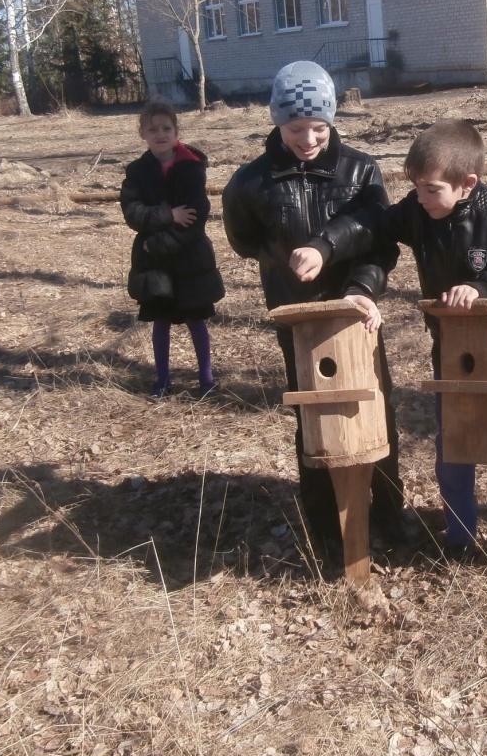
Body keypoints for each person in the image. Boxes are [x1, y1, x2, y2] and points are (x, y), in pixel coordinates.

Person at [301, 119, 487, 560]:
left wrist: (484, 286)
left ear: (467, 183)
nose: (420, 197)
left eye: (431, 189)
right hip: (447, 345)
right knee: (452, 442)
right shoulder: (419, 212)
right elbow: (373, 225)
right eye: (415, 188)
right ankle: (459, 538)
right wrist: (325, 245)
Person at [222, 61, 409, 558]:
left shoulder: (360, 170)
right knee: (313, 417)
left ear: (332, 122)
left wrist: (356, 279)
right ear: (276, 123)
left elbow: (379, 237)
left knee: (376, 410)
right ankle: (325, 524)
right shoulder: (251, 182)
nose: (308, 139)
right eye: (295, 128)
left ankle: (389, 515)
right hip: (298, 318)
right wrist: (281, 262)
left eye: (318, 128)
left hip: (355, 311)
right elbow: (243, 239)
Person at [121, 101, 225, 399]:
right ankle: (163, 379)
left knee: (196, 320)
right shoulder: (137, 172)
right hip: (154, 265)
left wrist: (161, 241)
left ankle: (206, 379)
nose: (160, 134)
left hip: (190, 258)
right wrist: (167, 214)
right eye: (152, 129)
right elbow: (133, 213)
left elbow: (195, 214)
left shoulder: (192, 167)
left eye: (166, 128)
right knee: (161, 321)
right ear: (142, 133)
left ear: (176, 131)